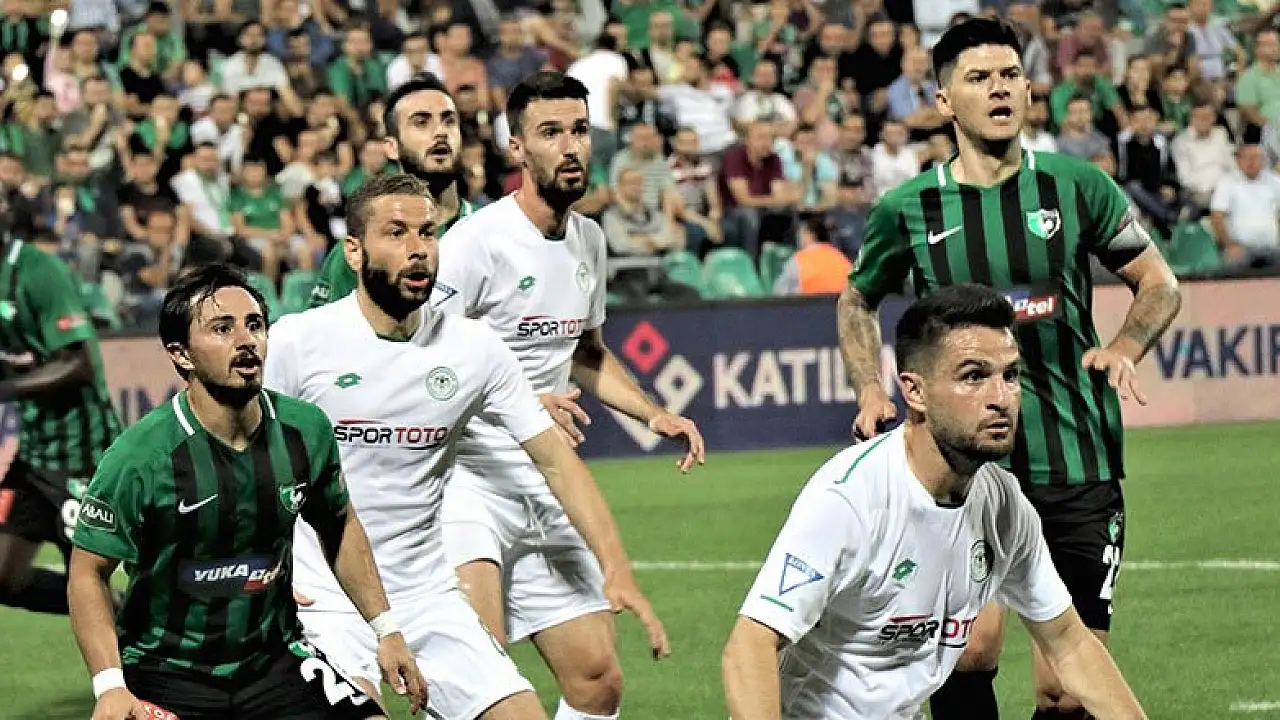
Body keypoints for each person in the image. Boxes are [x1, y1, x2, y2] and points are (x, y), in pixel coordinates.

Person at [834, 18, 1182, 720]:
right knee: (967, 653)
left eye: (1009, 75)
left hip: (1075, 458)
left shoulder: (1077, 186)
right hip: (961, 469)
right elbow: (856, 299)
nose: (998, 89)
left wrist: (1124, 347)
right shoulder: (907, 208)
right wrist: (870, 385)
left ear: (1027, 89)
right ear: (943, 101)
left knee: (1067, 688)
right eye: (978, 78)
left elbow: (1159, 283)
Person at [266, 171, 668, 720]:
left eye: (427, 233)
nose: (418, 249)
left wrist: (615, 567)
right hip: (327, 602)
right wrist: (260, 568)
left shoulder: (474, 349)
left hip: (427, 597)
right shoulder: (298, 342)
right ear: (354, 251)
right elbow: (237, 457)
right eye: (397, 233)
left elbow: (556, 461)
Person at [724, 284, 1149, 720]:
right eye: (974, 377)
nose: (1001, 398)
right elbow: (748, 647)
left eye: (1010, 375)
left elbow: (1069, 643)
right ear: (915, 392)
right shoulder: (851, 498)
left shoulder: (1002, 504)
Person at [436, 71, 703, 720]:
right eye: (550, 132)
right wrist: (522, 400)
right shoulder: (474, 243)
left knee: (598, 680)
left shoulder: (589, 240)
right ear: (517, 148)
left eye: (579, 130)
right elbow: (423, 362)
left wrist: (653, 412)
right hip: (466, 483)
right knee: (478, 674)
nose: (570, 146)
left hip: (547, 481)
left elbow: (586, 353)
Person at [67, 264, 427, 720]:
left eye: (254, 325)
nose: (246, 340)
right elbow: (88, 573)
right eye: (222, 328)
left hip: (273, 662)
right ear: (181, 354)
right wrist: (109, 686)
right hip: (165, 671)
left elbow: (338, 524)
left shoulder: (305, 430)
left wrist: (386, 629)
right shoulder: (140, 457)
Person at [0, 233, 123, 618]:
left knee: (90, 584)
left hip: (82, 455)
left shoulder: (38, 271)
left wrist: (6, 389)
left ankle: (133, 625)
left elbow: (78, 363)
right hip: (33, 457)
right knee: (4, 577)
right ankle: (125, 614)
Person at [309, 72, 474, 307]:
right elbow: (321, 326)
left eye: (449, 121)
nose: (440, 132)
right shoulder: (363, 245)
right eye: (421, 122)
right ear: (391, 147)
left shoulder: (492, 231)